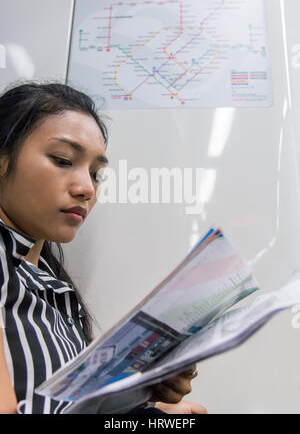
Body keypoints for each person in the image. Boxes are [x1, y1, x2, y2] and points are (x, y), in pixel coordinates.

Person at [0, 82, 207, 415]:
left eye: (96, 174)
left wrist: (141, 391)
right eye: (63, 160)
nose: (86, 189)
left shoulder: (47, 280)